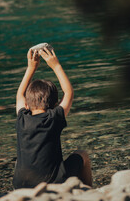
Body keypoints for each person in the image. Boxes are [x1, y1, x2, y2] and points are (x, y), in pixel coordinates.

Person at [13, 47, 92, 189]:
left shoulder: (21, 118)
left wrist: (31, 67)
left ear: (26, 104)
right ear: (55, 105)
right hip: (53, 183)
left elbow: (19, 95)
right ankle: (88, 191)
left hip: (21, 185)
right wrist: (56, 65)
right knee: (83, 155)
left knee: (20, 161)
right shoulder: (53, 118)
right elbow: (69, 92)